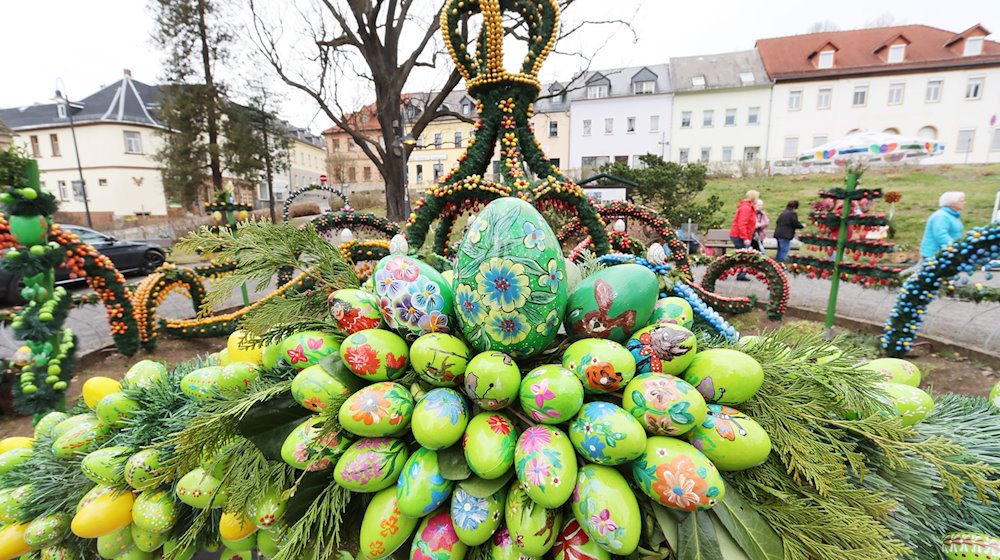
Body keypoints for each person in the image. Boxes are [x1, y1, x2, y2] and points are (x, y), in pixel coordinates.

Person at [905, 191, 965, 275]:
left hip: (946, 251)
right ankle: (896, 279)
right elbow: (941, 235)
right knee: (919, 274)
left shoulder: (952, 216)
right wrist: (955, 246)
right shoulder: (941, 216)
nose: (964, 203)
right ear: (952, 203)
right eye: (961, 201)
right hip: (934, 253)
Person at [729, 190, 759, 280]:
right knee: (743, 256)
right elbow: (742, 224)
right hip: (739, 236)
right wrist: (745, 238)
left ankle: (739, 273)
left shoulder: (748, 207)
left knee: (742, 255)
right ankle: (739, 273)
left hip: (740, 235)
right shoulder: (746, 208)